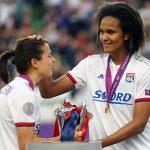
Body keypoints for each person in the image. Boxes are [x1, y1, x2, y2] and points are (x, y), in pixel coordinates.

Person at [38, 1, 150, 150]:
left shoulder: (144, 70)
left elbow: (139, 124)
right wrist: (40, 57)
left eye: (111, 32)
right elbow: (48, 92)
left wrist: (97, 144)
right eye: (101, 31)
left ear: (127, 34)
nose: (104, 37)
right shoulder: (91, 64)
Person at [0, 37, 82, 150]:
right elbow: (26, 145)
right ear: (34, 62)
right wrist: (65, 138)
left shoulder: (15, 88)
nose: (53, 60)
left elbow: (32, 140)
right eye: (49, 56)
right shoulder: (24, 94)